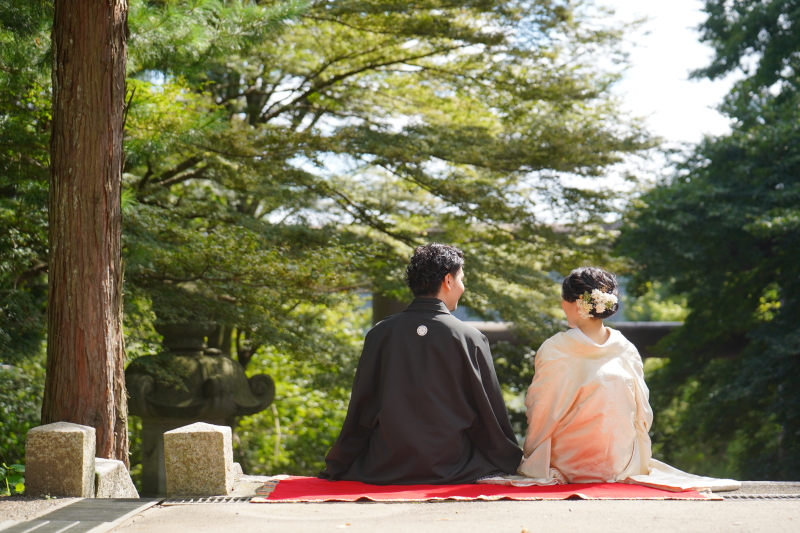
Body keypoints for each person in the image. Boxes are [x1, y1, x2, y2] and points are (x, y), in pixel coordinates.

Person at [482, 266, 739, 492]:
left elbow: (542, 410)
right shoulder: (625, 347)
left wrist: (531, 455)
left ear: (574, 302)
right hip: (619, 461)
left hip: (567, 464)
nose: (561, 304)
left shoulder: (555, 348)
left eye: (563, 298)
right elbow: (643, 413)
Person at [321, 243, 522, 484]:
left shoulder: (380, 333)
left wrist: (344, 458)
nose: (463, 287)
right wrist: (507, 457)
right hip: (453, 463)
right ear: (448, 280)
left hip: (386, 463)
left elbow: (363, 405)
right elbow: (488, 412)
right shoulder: (470, 337)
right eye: (462, 279)